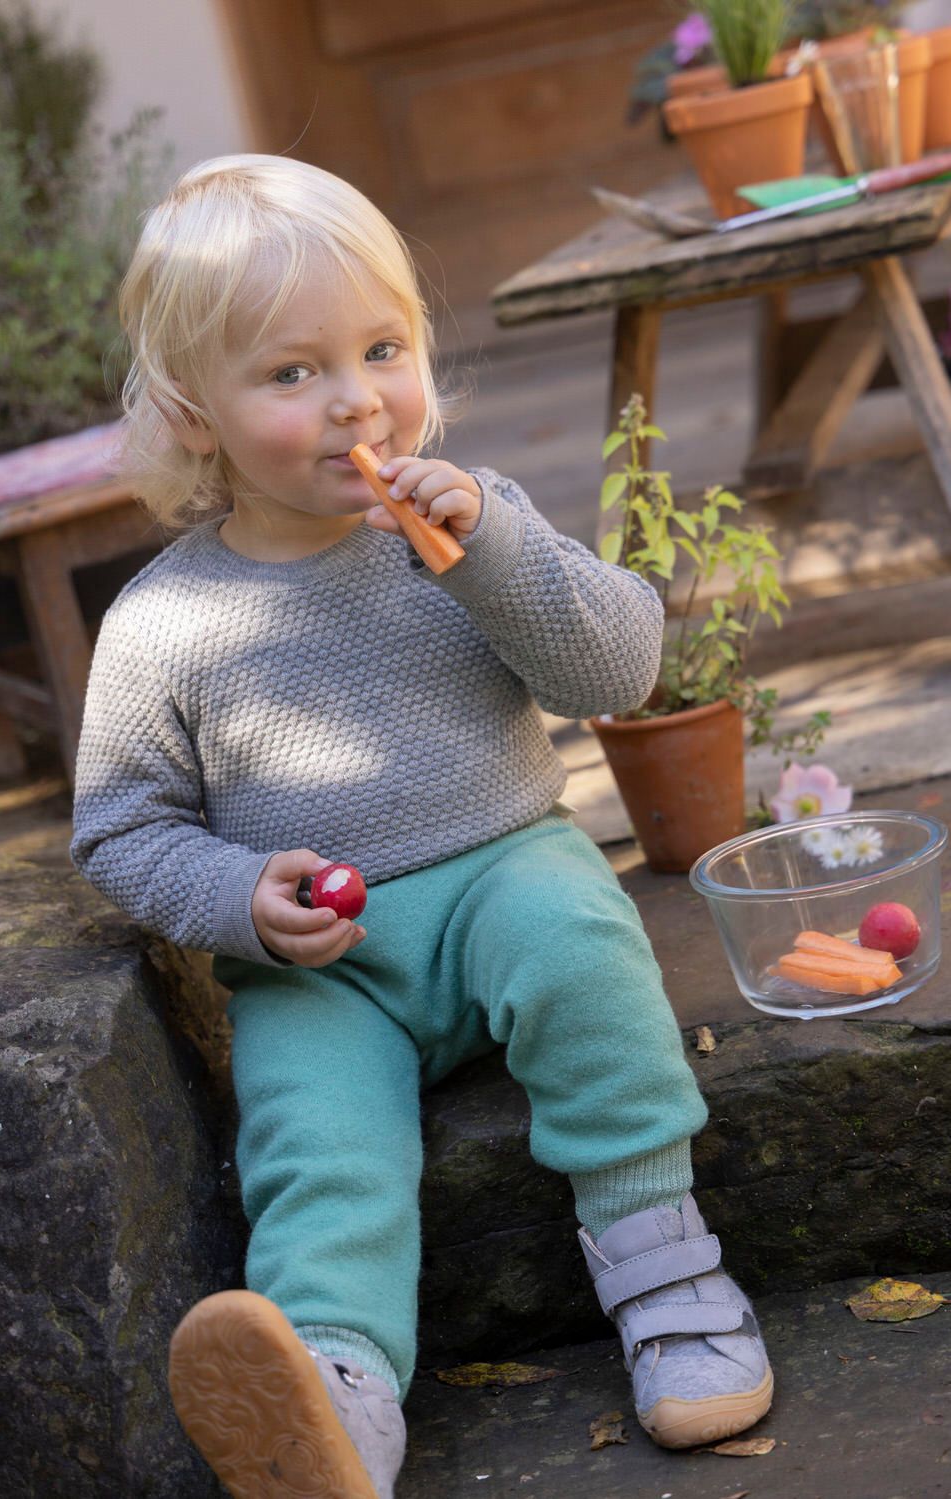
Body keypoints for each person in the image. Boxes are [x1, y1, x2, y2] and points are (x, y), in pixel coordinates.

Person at [71, 154, 773, 1499]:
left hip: (507, 872)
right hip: (329, 968)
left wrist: (497, 551)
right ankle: (332, 1400)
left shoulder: (462, 524)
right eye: (293, 372)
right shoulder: (162, 623)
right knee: (315, 1146)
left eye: (382, 349)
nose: (356, 399)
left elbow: (617, 670)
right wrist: (236, 898)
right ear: (194, 415)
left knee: (582, 950)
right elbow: (121, 830)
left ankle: (667, 1273)